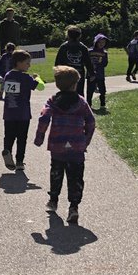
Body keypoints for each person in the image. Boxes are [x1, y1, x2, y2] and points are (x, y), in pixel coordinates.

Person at [34, 65, 96, 224]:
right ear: (75, 84)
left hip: (57, 144)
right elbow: (91, 121)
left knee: (56, 172)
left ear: (57, 84)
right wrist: (85, 141)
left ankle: (53, 200)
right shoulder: (81, 102)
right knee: (76, 176)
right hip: (76, 146)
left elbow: (44, 117)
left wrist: (39, 137)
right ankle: (74, 207)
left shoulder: (53, 101)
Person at [1, 49, 39, 171]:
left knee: (9, 135)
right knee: (22, 138)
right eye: (27, 63)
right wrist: (37, 78)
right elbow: (38, 87)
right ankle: (19, 161)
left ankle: (7, 150)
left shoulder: (8, 75)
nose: (29, 65)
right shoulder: (26, 77)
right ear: (18, 63)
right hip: (23, 113)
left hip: (9, 112)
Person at [55, 25, 92, 90]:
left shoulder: (64, 47)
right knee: (79, 93)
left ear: (68, 35)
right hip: (79, 73)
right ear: (79, 36)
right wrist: (92, 73)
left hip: (66, 73)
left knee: (65, 91)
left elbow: (58, 61)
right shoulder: (83, 47)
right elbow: (88, 62)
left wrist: (57, 72)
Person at [87, 33, 109, 111]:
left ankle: (102, 104)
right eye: (100, 42)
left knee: (102, 90)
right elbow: (86, 62)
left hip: (100, 74)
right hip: (91, 74)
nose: (102, 44)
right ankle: (88, 105)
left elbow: (105, 63)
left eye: (103, 43)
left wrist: (99, 64)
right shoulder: (89, 51)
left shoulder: (104, 53)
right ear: (96, 42)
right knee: (90, 91)